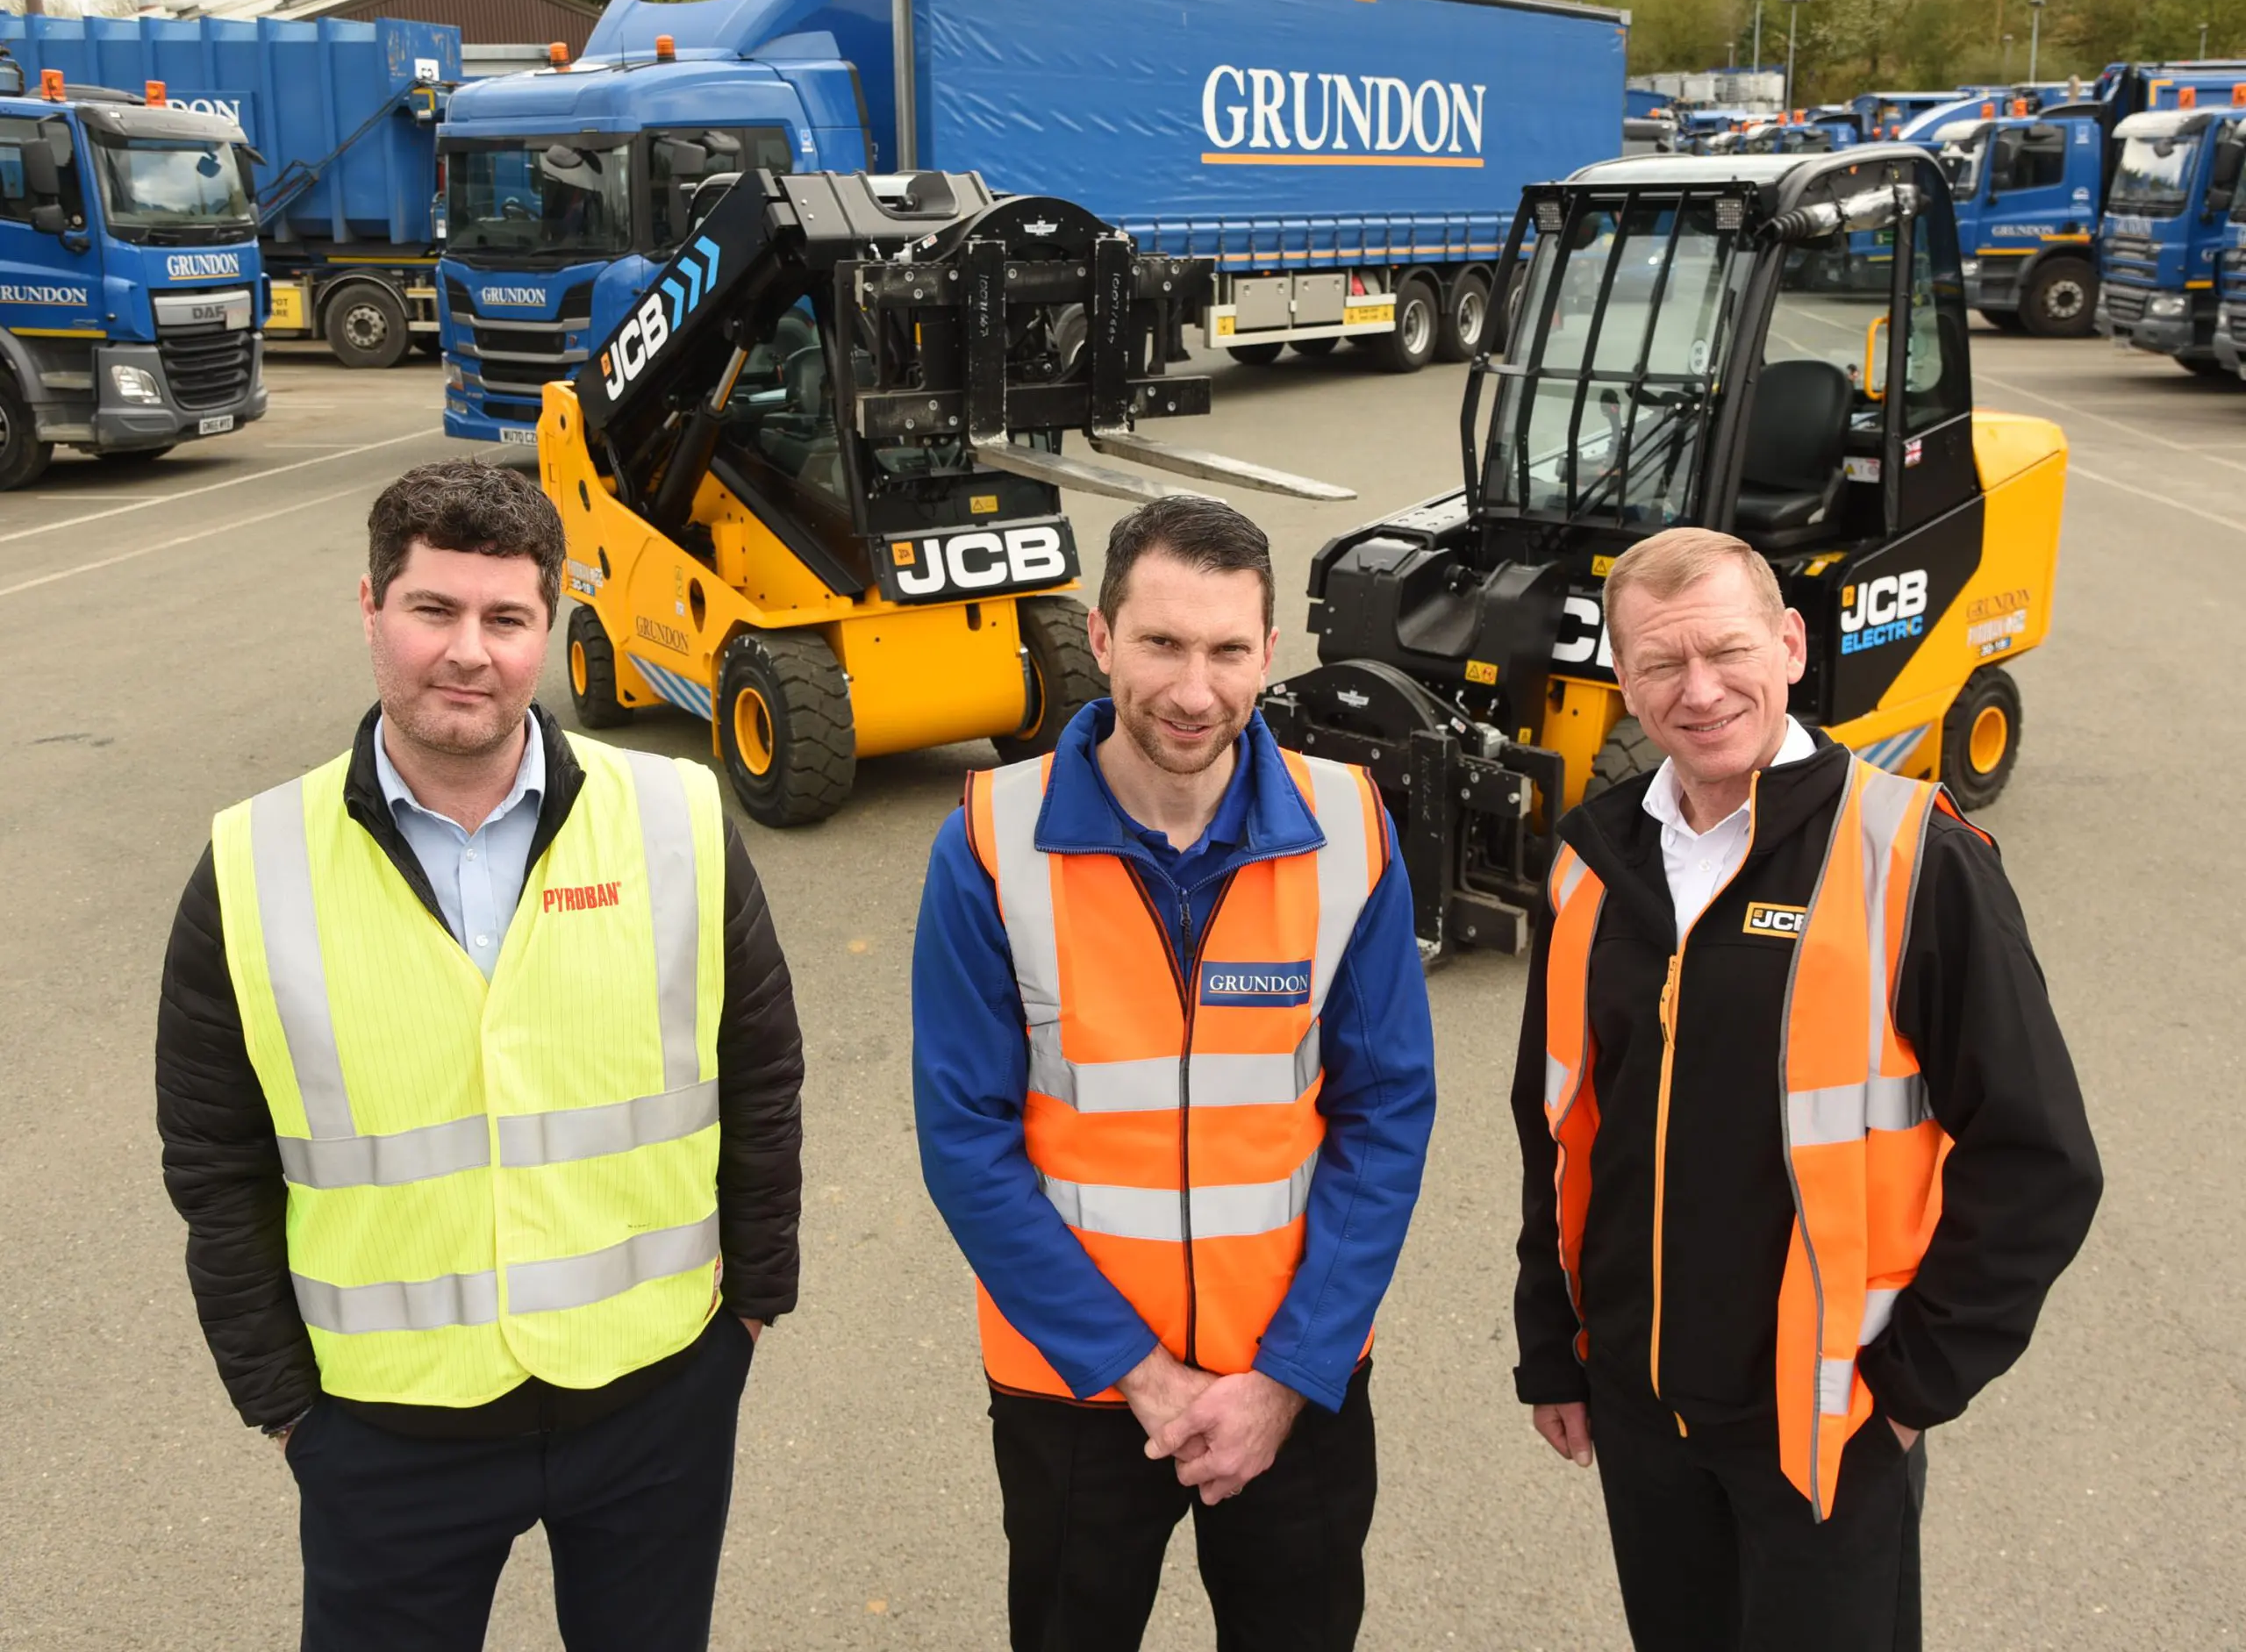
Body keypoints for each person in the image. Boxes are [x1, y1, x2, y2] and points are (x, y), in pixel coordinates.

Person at [154, 461, 805, 1652]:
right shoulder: (251, 866)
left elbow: (760, 1077)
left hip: (653, 1397)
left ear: (548, 627)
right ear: (370, 607)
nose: (470, 652)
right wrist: (287, 1409)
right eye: (433, 610)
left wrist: (753, 1306)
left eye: (507, 619)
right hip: (385, 1430)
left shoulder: (678, 820)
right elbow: (214, 1160)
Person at [1511, 527, 2102, 1650]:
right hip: (1640, 1408)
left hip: (1829, 1421)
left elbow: (2039, 1157)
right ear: (1621, 681)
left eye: (1727, 650)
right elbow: (1555, 1122)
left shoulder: (1910, 853)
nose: (1699, 690)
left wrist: (1915, 1384)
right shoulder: (1591, 862)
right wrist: (1554, 1337)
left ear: (1787, 644)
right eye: (1658, 663)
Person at [912, 495, 1437, 1652]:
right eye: (1161, 644)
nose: (1193, 690)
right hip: (1076, 1391)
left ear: (1269, 655)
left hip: (1291, 1382)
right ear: (1101, 640)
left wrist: (1288, 1377)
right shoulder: (995, 842)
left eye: (1226, 651)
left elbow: (1385, 1113)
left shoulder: (1351, 829)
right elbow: (965, 1142)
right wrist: (1139, 1376)